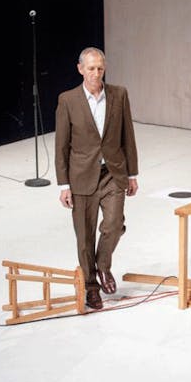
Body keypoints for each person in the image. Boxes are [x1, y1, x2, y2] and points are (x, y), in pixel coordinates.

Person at [55, 46, 139, 310]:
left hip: (113, 173)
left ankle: (103, 266)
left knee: (114, 223)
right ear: (80, 69)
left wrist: (132, 174)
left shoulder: (118, 94)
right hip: (81, 177)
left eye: (100, 68)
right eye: (91, 68)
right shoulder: (67, 100)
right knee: (85, 236)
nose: (96, 73)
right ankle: (91, 287)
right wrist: (64, 184)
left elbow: (128, 135)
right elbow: (61, 145)